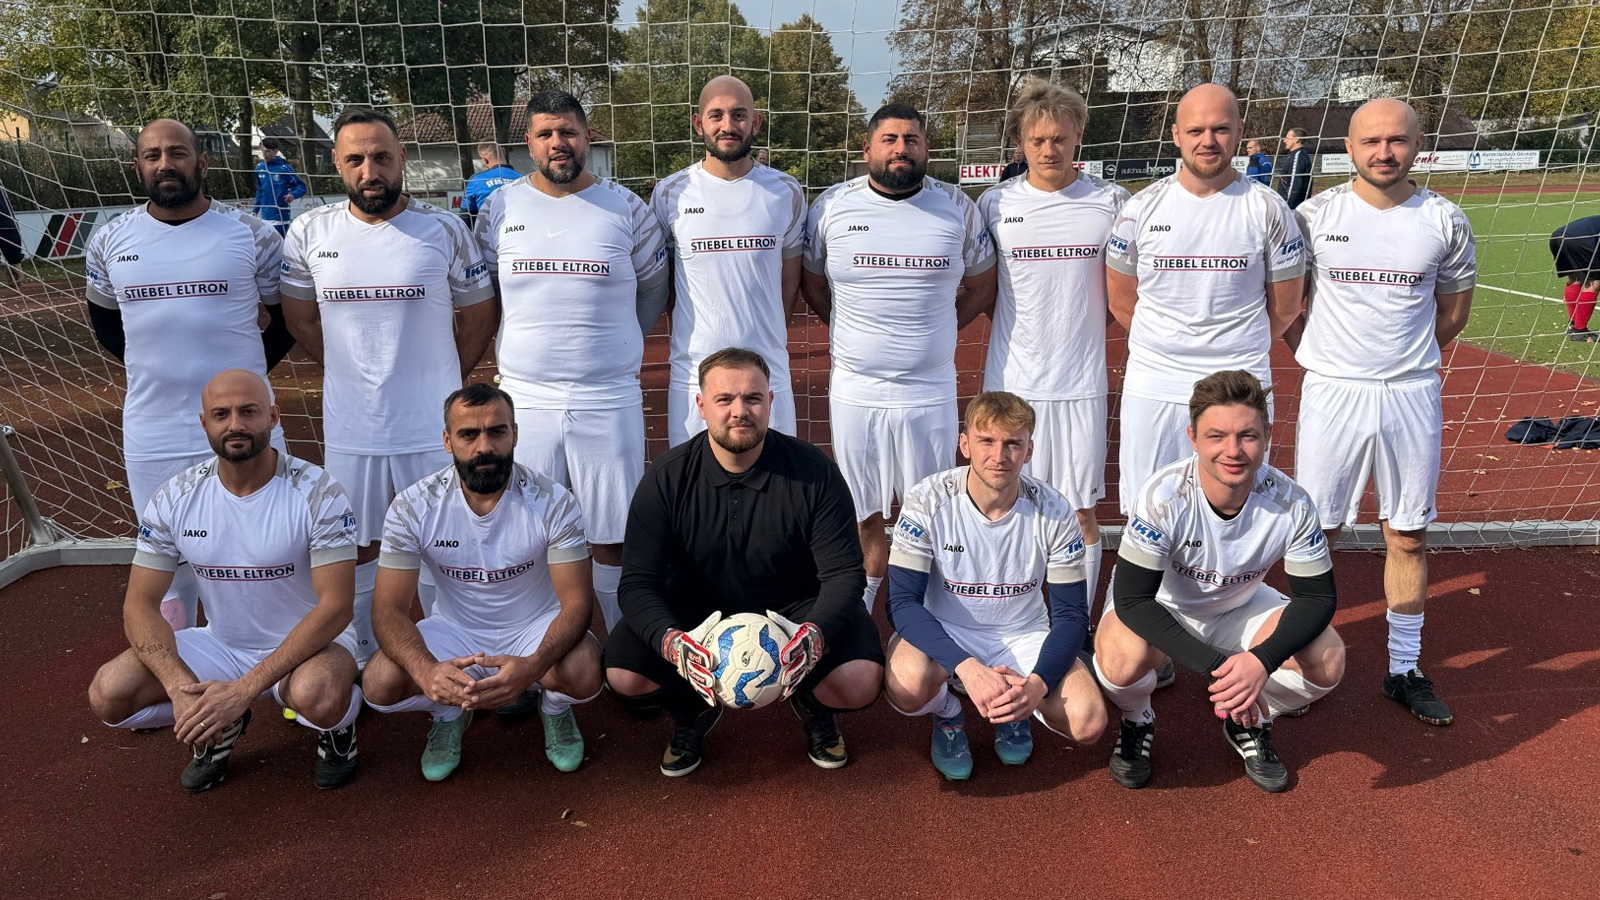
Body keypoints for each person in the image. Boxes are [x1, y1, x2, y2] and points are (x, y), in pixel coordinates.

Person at [281, 107, 498, 666]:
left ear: (403, 158)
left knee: (444, 548)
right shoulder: (310, 231)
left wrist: (446, 381)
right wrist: (352, 371)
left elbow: (478, 317)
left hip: (431, 429)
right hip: (354, 429)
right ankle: (358, 657)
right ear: (337, 164)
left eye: (381, 156)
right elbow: (300, 319)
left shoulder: (445, 228)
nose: (369, 170)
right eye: (355, 159)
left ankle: (457, 657)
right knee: (356, 550)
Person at [608, 348, 883, 776]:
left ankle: (811, 704)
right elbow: (637, 583)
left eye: (753, 398)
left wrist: (814, 635)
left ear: (771, 402)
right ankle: (692, 713)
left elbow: (844, 573)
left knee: (861, 678)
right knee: (624, 674)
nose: (740, 411)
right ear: (701, 406)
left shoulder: (815, 472)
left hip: (794, 608)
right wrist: (671, 642)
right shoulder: (666, 477)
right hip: (695, 611)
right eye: (725, 400)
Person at [1288, 98, 1475, 725]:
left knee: (1408, 533)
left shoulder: (1445, 220)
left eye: (1397, 140)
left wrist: (1403, 361)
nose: (1384, 152)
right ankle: (1298, 656)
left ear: (1417, 145)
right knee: (1316, 533)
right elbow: (1291, 305)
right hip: (1333, 391)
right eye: (1371, 141)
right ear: (1349, 145)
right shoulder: (1314, 216)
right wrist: (1321, 357)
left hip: (1410, 394)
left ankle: (1404, 668)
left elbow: (1452, 313)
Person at [86, 369, 363, 792]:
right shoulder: (176, 497)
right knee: (109, 694)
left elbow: (336, 607)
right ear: (204, 424)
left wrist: (244, 691)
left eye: (248, 412)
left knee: (319, 698)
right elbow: (139, 605)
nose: (235, 424)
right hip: (223, 644)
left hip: (313, 647)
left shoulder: (318, 491)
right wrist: (180, 690)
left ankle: (339, 728)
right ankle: (225, 725)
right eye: (221, 414)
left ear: (273, 417)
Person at [85, 118, 295, 632]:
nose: (165, 164)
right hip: (154, 429)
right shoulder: (110, 240)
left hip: (245, 424)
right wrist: (160, 377)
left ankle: (288, 674)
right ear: (137, 166)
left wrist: (237, 387)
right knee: (167, 560)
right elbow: (108, 327)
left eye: (177, 153)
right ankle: (185, 674)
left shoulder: (251, 233)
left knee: (274, 547)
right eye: (152, 155)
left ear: (202, 162)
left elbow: (286, 320)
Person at [473, 90, 669, 633]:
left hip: (607, 397)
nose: (558, 143)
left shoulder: (628, 207)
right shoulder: (499, 208)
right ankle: (526, 649)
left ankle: (619, 645)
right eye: (545, 134)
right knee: (522, 530)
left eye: (568, 132)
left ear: (586, 138)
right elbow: (488, 292)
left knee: (613, 535)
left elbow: (652, 291)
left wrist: (611, 342)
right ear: (529, 144)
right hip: (526, 397)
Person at [1094, 370, 1345, 794]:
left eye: (1247, 435)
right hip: (1163, 604)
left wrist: (1260, 662)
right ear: (1193, 438)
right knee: (1121, 658)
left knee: (1328, 658)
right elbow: (1134, 599)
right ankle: (1138, 717)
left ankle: (1250, 716)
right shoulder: (1164, 496)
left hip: (1238, 605)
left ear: (1266, 435)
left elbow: (1318, 598)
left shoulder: (1292, 502)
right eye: (1216, 436)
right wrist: (1219, 671)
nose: (1233, 451)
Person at [801, 102, 997, 613]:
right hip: (857, 390)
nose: (900, 149)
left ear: (926, 148)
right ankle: (861, 614)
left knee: (929, 512)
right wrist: (854, 332)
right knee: (861, 512)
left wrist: (933, 333)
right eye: (889, 139)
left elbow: (979, 285)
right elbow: (815, 285)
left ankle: (930, 620)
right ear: (867, 149)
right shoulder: (830, 207)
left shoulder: (958, 206)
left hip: (929, 390)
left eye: (911, 139)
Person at [363, 383, 603, 780]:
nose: (483, 447)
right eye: (468, 434)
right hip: (454, 631)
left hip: (534, 627)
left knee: (584, 671)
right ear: (447, 440)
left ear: (515, 435)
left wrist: (533, 667)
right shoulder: (413, 506)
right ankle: (447, 713)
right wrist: (426, 672)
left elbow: (577, 603)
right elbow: (388, 610)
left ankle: (555, 708)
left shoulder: (553, 501)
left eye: (496, 431)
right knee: (378, 683)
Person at [1105, 83, 1305, 516]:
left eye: (1220, 129)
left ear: (1239, 133)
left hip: (1239, 386)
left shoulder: (1269, 210)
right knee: (1148, 511)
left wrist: (1236, 349)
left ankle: (1232, 587)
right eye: (1196, 130)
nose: (1208, 141)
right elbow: (1122, 303)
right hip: (1155, 382)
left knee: (1234, 513)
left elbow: (1286, 306)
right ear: (1176, 135)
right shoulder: (1140, 209)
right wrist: (1169, 346)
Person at [884, 391, 1105, 781]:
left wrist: (1036, 686)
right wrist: (967, 668)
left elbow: (1071, 616)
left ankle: (1015, 710)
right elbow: (902, 603)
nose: (999, 456)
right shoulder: (926, 500)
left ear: (1029, 450)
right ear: (964, 443)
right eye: (986, 441)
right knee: (906, 686)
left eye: (1012, 444)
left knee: (1089, 722)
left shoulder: (1055, 510)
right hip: (946, 627)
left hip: (1023, 634)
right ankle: (948, 713)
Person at [978, 78, 1127, 602]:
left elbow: (1121, 294)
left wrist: (1078, 332)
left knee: (1081, 510)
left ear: (1078, 136)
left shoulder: (1111, 202)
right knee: (1003, 503)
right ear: (1020, 141)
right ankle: (1004, 616)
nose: (1048, 150)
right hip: (1013, 382)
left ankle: (1078, 625)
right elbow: (979, 286)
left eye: (1059, 139)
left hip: (1079, 385)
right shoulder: (994, 205)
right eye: (1037, 140)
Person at [650, 75, 807, 446]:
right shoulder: (669, 194)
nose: (727, 125)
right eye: (716, 115)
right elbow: (667, 285)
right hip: (694, 377)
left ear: (756, 123)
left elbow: (789, 283)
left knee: (777, 493)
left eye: (738, 115)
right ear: (698, 123)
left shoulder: (785, 191)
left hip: (769, 374)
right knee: (695, 494)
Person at [1550, 215, 1600, 341]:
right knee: (1594, 282)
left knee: (1575, 279)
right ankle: (1580, 330)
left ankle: (1573, 325)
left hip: (1558, 236)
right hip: (1581, 240)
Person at [253, 137, 308, 235]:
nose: (265, 154)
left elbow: (302, 187)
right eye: (263, 151)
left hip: (280, 216)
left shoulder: (284, 169)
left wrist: (293, 195)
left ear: (276, 151)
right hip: (264, 216)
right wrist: (255, 210)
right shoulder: (259, 168)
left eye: (268, 151)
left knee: (280, 247)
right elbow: (259, 191)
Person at [461, 142, 520, 224]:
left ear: (484, 160)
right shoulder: (523, 179)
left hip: (489, 234)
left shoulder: (476, 181)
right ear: (504, 151)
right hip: (519, 231)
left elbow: (465, 218)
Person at [1277, 128, 1314, 209]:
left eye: (1287, 138)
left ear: (1296, 139)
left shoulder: (1298, 157)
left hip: (1293, 208)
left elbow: (1294, 186)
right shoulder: (1295, 155)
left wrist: (1286, 207)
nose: (1284, 141)